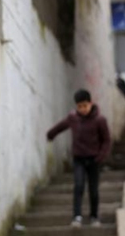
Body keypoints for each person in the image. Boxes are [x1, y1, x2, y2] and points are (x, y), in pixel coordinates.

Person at [46, 89, 112, 227]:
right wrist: (50, 135)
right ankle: (77, 216)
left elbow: (106, 140)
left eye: (85, 106)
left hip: (94, 159)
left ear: (90, 104)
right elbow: (61, 126)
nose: (82, 109)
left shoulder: (100, 120)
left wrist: (101, 156)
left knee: (93, 189)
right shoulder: (73, 118)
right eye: (79, 106)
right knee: (79, 185)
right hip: (79, 159)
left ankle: (94, 216)